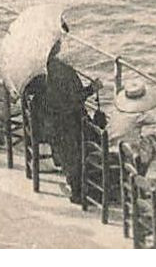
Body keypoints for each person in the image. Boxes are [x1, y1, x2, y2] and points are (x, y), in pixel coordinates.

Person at [25, 35, 99, 203]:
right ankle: (80, 188)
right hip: (61, 127)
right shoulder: (64, 71)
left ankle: (77, 178)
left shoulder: (35, 71)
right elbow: (75, 99)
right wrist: (92, 89)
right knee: (89, 135)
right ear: (56, 49)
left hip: (42, 124)